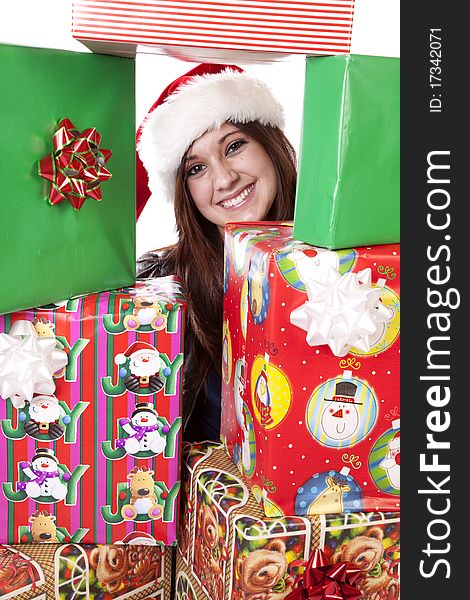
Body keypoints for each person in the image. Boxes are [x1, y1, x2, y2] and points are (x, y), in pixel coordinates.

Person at [136, 63, 296, 441]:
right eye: (196, 168)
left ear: (270, 144)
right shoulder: (156, 284)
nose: (224, 179)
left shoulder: (341, 267)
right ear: (183, 191)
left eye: (235, 146)